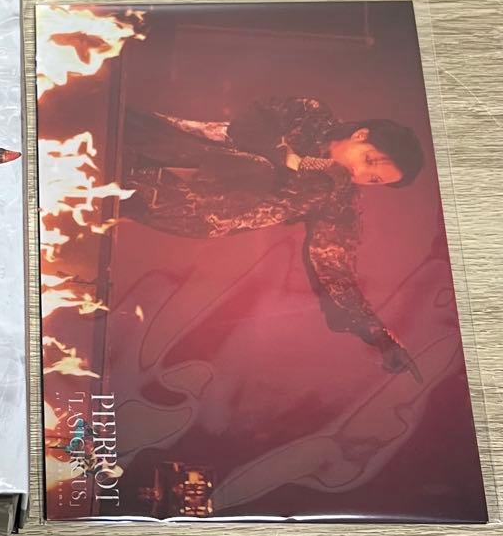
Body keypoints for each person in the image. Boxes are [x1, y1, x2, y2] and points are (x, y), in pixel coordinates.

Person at [119, 96, 425, 379]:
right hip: (179, 149)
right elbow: (248, 126)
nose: (358, 173)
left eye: (373, 179)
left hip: (187, 207)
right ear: (360, 135)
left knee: (255, 177)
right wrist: (300, 163)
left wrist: (378, 336)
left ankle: (127, 194)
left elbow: (333, 266)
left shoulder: (338, 198)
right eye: (369, 160)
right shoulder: (311, 116)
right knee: (258, 169)